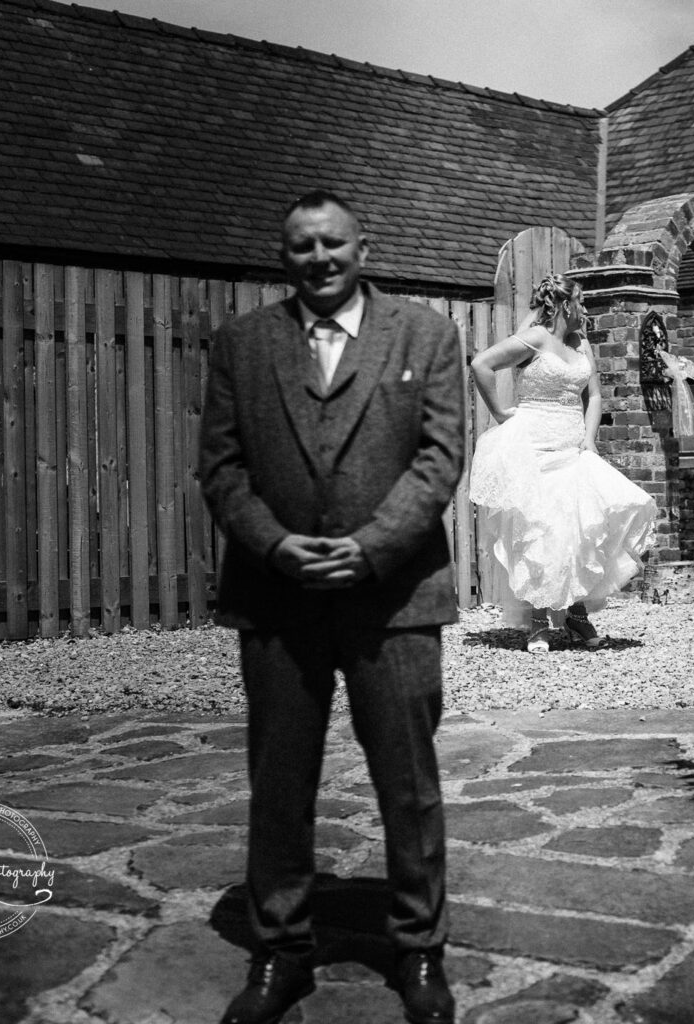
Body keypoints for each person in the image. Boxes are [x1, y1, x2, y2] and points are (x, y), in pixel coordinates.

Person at [199, 189, 462, 1024]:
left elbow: (439, 458)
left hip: (396, 598)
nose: (320, 259)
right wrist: (275, 546)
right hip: (277, 598)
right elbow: (223, 469)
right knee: (279, 784)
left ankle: (419, 952)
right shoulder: (242, 345)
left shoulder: (425, 334)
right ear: (285, 257)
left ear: (363, 247)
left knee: (407, 782)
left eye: (334, 244)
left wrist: (371, 547)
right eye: (303, 247)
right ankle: (282, 953)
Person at [468, 273, 657, 652]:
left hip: (572, 445)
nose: (586, 309)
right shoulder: (537, 338)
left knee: (580, 529)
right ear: (566, 304)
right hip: (534, 445)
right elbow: (481, 364)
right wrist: (502, 414)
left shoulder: (581, 343)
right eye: (582, 302)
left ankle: (575, 614)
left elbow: (596, 397)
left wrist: (589, 440)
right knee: (542, 530)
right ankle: (538, 621)